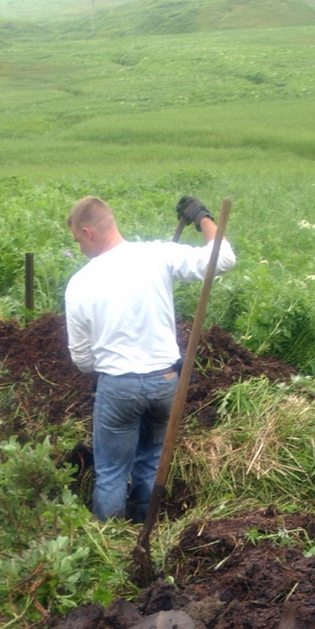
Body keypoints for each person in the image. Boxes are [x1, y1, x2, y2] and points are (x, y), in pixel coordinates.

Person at [63, 195, 236, 522]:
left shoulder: (80, 284)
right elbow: (223, 258)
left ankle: (111, 540)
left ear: (87, 232)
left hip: (118, 388)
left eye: (77, 240)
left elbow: (81, 357)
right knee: (151, 460)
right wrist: (202, 218)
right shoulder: (156, 255)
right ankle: (144, 527)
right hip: (165, 382)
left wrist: (97, 369)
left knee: (112, 471)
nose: (80, 248)